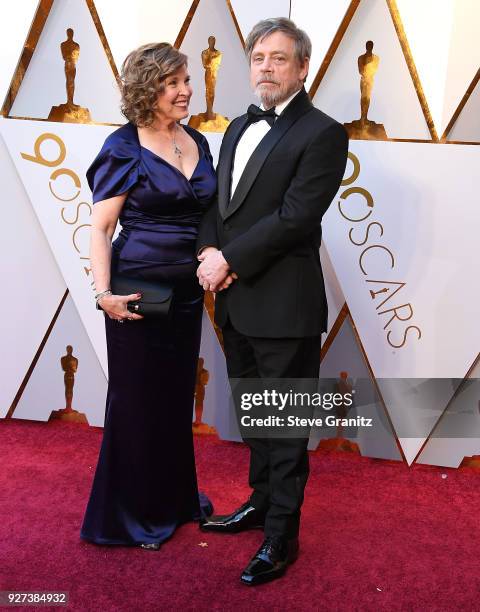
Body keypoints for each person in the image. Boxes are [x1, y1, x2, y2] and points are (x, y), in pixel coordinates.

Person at [197, 18, 348, 585]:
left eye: (278, 58)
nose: (265, 66)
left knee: (285, 428)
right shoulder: (237, 126)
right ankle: (261, 505)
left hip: (285, 305)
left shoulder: (324, 132)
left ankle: (282, 537)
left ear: (302, 67)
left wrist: (227, 261)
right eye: (259, 57)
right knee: (256, 418)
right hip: (234, 301)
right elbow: (219, 203)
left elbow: (296, 217)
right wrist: (209, 248)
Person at [81, 43, 216, 549]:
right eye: (173, 83)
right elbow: (101, 228)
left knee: (175, 398)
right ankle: (129, 515)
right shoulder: (123, 147)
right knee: (136, 401)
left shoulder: (198, 139)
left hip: (186, 293)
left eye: (186, 80)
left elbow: (208, 214)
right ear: (148, 88)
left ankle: (175, 499)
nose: (186, 91)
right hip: (137, 289)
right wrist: (103, 294)